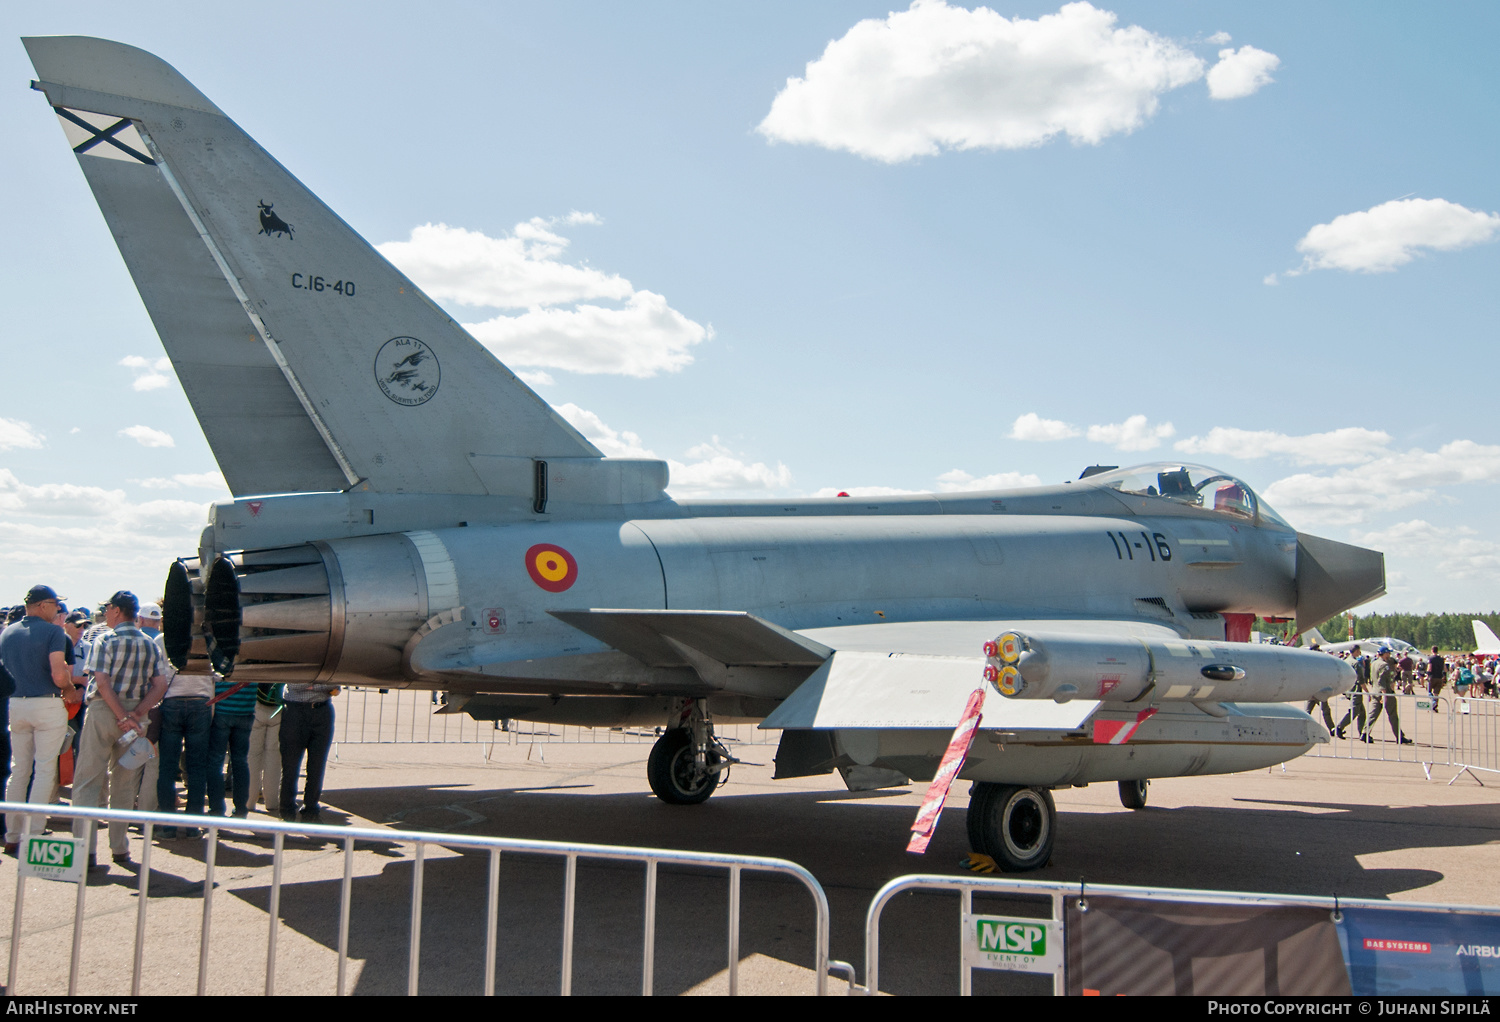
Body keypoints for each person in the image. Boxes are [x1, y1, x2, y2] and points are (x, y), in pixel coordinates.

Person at [72, 591, 169, 868]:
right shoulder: (150, 644)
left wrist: (120, 714)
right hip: (136, 716)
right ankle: (119, 848)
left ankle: (85, 850)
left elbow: (101, 681)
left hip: (105, 711)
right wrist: (136, 714)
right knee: (125, 785)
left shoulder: (106, 639)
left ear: (116, 610)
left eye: (108, 609)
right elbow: (160, 685)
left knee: (88, 781)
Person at [0, 586, 82, 852]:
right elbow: (59, 675)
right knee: (45, 768)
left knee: (19, 769)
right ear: (42, 605)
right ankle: (34, 832)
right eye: (55, 604)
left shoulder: (8, 632)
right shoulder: (53, 632)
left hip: (16, 704)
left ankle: (12, 834)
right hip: (46, 703)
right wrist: (70, 691)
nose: (58, 609)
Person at [152, 599, 214, 837]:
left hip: (171, 701)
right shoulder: (205, 639)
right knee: (197, 766)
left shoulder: (161, 640)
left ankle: (167, 824)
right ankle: (193, 824)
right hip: (200, 701)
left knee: (167, 767)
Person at [279, 682, 339, 823]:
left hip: (322, 710)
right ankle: (287, 811)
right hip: (295, 712)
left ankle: (311, 810)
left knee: (317, 765)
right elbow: (296, 685)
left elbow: (336, 687)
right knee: (290, 766)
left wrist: (314, 686)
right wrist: (323, 687)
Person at [207, 674, 256, 818]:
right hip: (246, 709)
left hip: (222, 709)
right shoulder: (255, 655)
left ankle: (216, 810)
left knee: (215, 763)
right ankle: (241, 809)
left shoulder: (223, 653)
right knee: (240, 762)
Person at [247, 683, 283, 816]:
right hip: (278, 708)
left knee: (252, 755)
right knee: (274, 756)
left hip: (257, 704)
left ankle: (249, 800)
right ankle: (272, 801)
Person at [1364, 646, 1412, 744]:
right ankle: (1399, 737)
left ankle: (1364, 733)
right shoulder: (1384, 665)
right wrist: (1385, 694)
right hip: (1385, 693)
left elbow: (1373, 678)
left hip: (1375, 691)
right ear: (1384, 653)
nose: (1389, 655)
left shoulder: (1374, 663)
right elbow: (1382, 680)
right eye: (1388, 653)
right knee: (1393, 715)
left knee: (1372, 714)